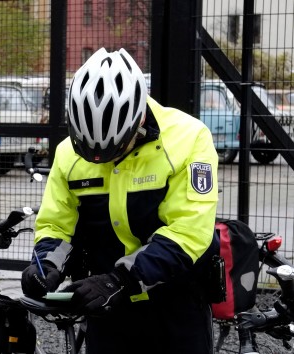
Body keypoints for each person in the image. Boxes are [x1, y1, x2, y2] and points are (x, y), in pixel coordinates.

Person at [20, 48, 219, 354]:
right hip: (105, 307)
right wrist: (46, 265)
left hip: (175, 304)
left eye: (116, 146)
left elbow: (189, 230)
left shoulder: (189, 139)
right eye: (88, 148)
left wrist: (120, 281)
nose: (100, 157)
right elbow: (57, 225)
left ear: (139, 118)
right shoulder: (66, 154)